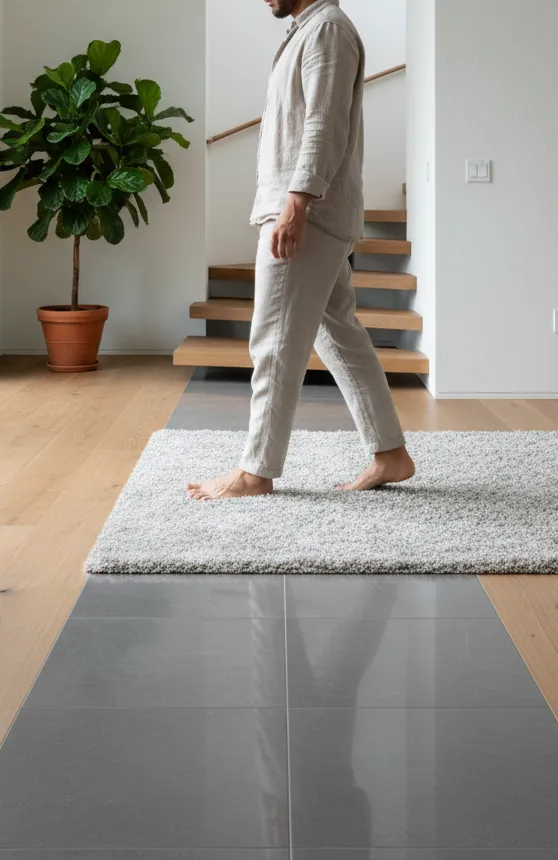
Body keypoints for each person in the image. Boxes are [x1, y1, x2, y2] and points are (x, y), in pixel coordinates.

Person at [187, 0, 415, 501]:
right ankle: (390, 453)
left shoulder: (329, 30)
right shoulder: (308, 30)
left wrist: (297, 203)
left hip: (306, 211)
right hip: (308, 208)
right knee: (340, 334)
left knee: (273, 340)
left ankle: (256, 471)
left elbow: (323, 123)